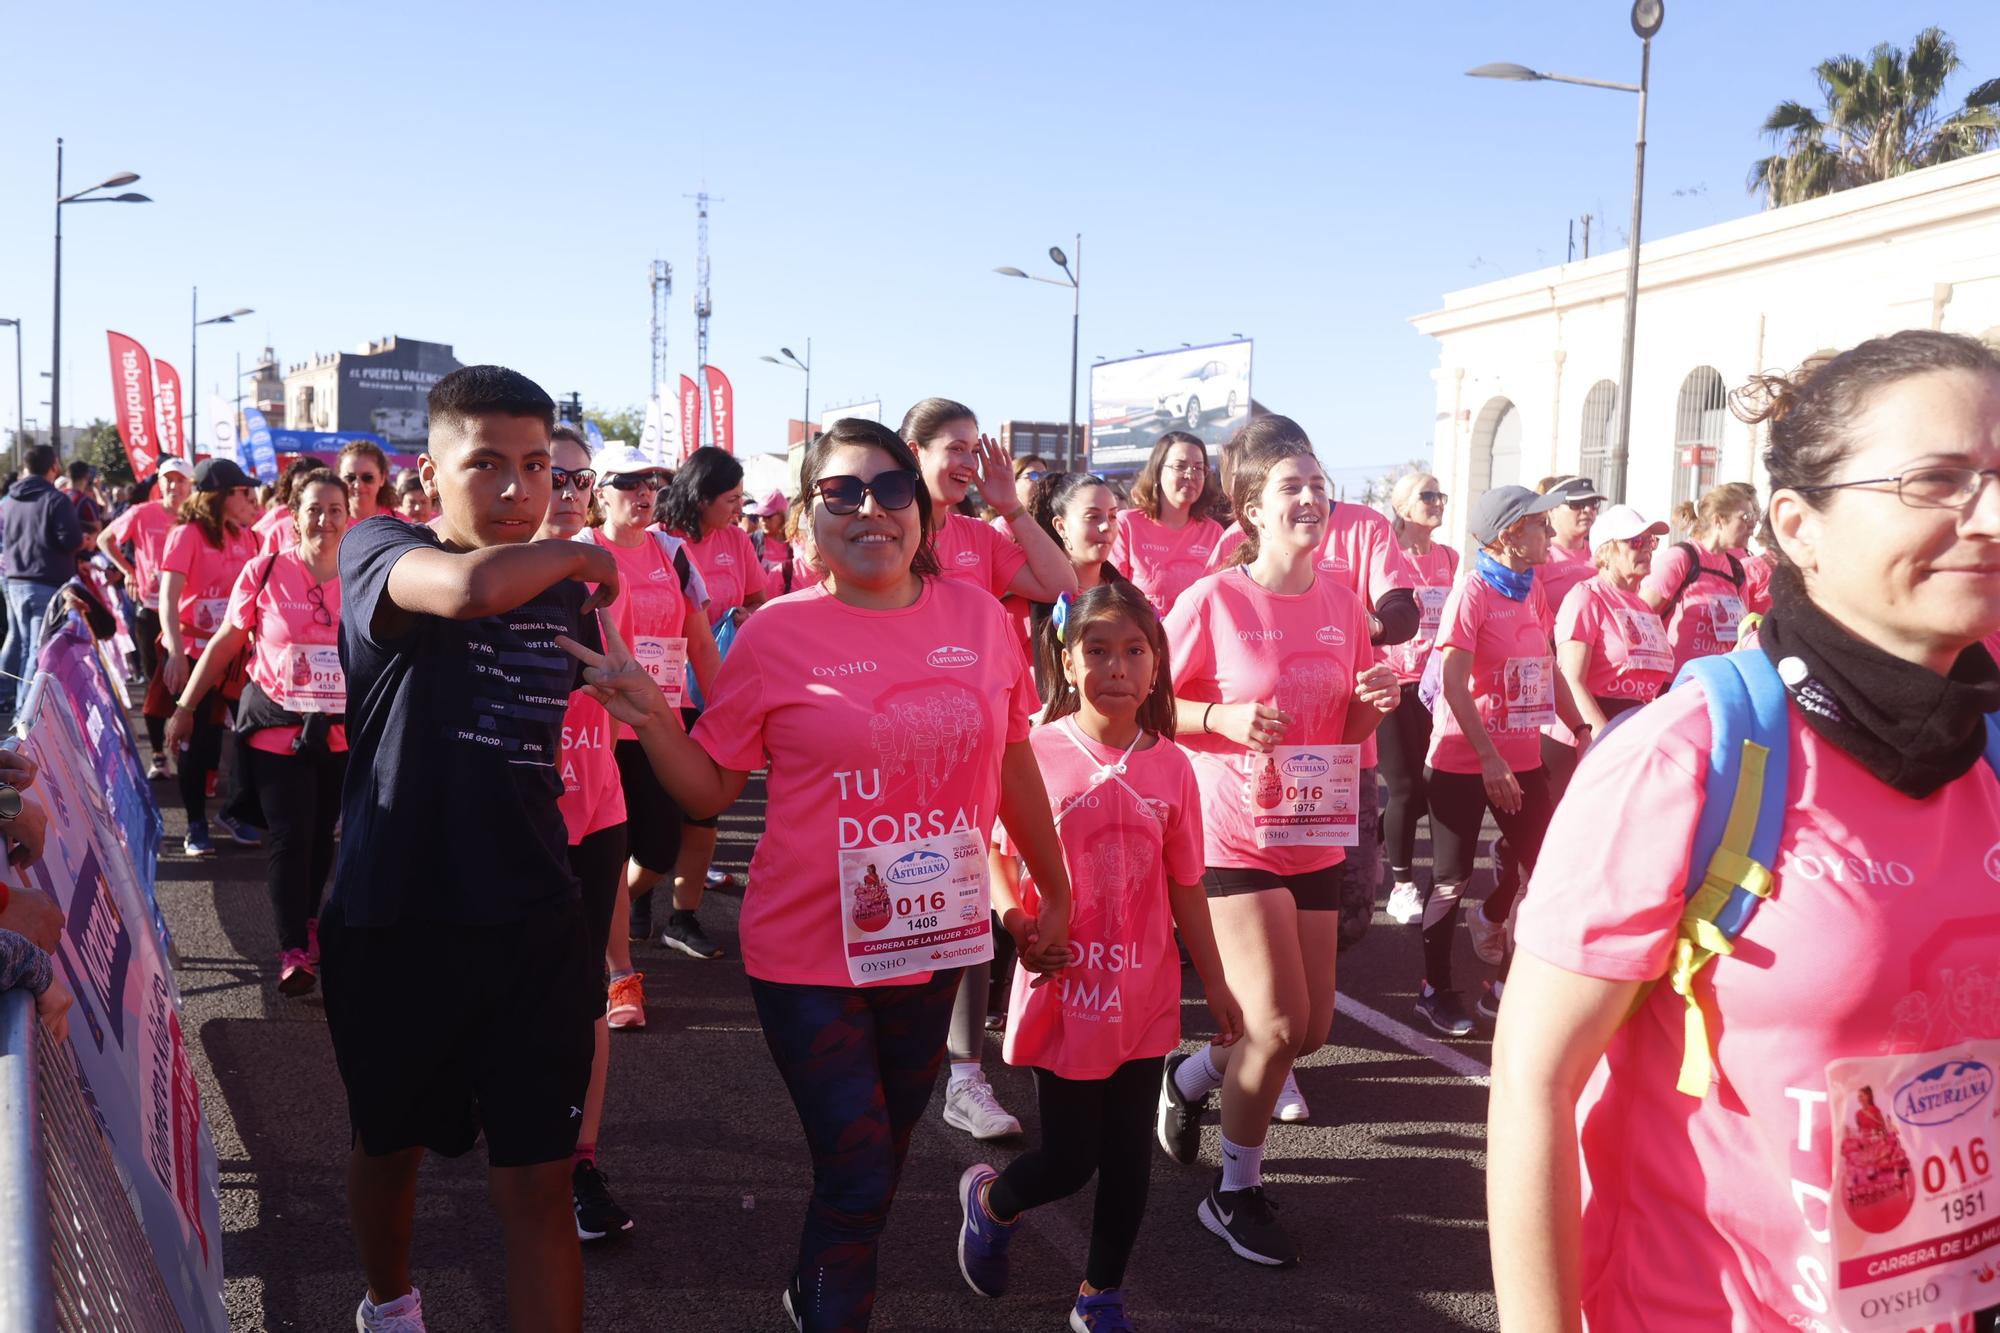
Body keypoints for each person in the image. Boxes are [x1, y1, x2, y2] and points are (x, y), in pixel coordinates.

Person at [1491, 329, 2000, 1330]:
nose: (1988, 516)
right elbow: (1531, 1081)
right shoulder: (1686, 759)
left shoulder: (1983, 749)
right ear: (1797, 525)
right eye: (1936, 481)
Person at [567, 417, 1074, 1332]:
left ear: (919, 512)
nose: (869, 509)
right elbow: (712, 784)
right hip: (806, 952)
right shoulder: (774, 634)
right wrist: (650, 714)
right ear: (806, 518)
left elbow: (1010, 762)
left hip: (934, 940)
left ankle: (815, 1287)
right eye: (842, 493)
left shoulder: (976, 618)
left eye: (890, 490)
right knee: (858, 1161)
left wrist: (1055, 888)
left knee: (885, 1148)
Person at [322, 365, 617, 1333]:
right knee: (389, 1145)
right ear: (429, 471)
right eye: (485, 463)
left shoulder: (564, 596)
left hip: (534, 922)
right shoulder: (379, 546)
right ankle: (390, 1304)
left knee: (536, 1190)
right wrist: (578, 553)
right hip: (393, 915)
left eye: (536, 466)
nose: (515, 489)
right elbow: (460, 587)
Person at [956, 580, 1241, 1331]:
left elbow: (1186, 888)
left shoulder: (1175, 767)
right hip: (1065, 985)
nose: (1117, 666)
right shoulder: (1037, 752)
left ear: (1156, 667)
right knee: (1070, 1157)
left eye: (1135, 651)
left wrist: (1216, 983)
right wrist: (1016, 918)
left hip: (1143, 991)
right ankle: (993, 1201)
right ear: (1068, 659)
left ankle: (1099, 1294)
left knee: (1128, 1158)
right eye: (1099, 649)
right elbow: (993, 850)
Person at [1156, 417, 1400, 1267]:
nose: (1312, 496)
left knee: (1312, 1028)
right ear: (1253, 509)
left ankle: (1188, 1078)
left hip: (1315, 833)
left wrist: (1378, 695)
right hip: (1233, 835)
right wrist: (1219, 715)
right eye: (1292, 486)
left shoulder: (1342, 602)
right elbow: (1145, 703)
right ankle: (1234, 1192)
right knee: (1273, 1024)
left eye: (1319, 483)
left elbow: (1349, 723)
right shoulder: (1213, 600)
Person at [901, 398, 1080, 1140]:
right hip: (897, 738)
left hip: (978, 735)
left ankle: (965, 1075)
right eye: (954, 447)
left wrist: (1011, 508)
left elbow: (1058, 579)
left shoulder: (981, 534)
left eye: (977, 448)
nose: (970, 461)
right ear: (912, 450)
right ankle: (905, 1055)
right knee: (905, 889)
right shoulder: (888, 530)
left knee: (969, 896)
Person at [165, 469, 351, 996]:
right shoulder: (265, 569)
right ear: (294, 515)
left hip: (338, 733)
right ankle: (293, 947)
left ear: (347, 517)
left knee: (320, 838)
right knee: (291, 836)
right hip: (277, 729)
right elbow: (227, 641)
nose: (325, 519)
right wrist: (185, 705)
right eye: (314, 508)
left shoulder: (363, 577)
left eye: (335, 509)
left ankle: (310, 921)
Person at [1415, 483, 1589, 1038]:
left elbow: (1551, 668)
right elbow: (1452, 684)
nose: (1549, 532)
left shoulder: (1529, 588)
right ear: (1511, 535)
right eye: (1539, 524)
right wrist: (1489, 760)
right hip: (1463, 761)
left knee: (1546, 874)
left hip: (1522, 758)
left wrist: (1582, 729)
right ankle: (1433, 989)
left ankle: (1506, 987)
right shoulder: (1472, 593)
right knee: (1450, 881)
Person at [536, 427, 637, 1244]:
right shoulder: (479, 579)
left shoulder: (605, 578)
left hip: (596, 811)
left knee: (583, 1001)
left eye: (579, 478)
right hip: (513, 821)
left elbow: (630, 682)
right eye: (551, 474)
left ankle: (579, 1161)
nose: (567, 490)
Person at [580, 442, 719, 1010]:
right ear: (600, 492)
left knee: (659, 847)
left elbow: (702, 641)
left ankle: (598, 911)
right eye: (629, 483)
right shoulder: (582, 550)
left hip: (662, 720)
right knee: (603, 842)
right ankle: (614, 962)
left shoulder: (672, 553)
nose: (643, 494)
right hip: (598, 723)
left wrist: (729, 708)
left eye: (651, 483)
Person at [643, 446, 756, 959]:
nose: (737, 509)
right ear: (702, 496)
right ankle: (635, 897)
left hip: (716, 690)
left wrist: (740, 618)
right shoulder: (658, 539)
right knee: (648, 809)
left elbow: (755, 599)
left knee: (702, 809)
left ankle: (683, 915)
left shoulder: (736, 539)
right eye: (729, 499)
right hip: (661, 695)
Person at [157, 458, 261, 857]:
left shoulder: (248, 537)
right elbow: (167, 600)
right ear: (220, 496)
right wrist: (175, 652)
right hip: (194, 652)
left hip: (237, 656)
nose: (250, 498)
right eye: (241, 492)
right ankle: (196, 825)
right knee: (196, 742)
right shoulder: (186, 535)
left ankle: (235, 811)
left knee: (254, 736)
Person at [1381, 473, 1456, 926]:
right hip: (1392, 681)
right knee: (1405, 787)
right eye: (1427, 496)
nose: (1437, 503)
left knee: (1430, 784)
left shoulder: (1448, 557)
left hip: (1436, 688)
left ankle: (1383, 836)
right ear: (1404, 507)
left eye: (1439, 496)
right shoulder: (1387, 555)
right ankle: (1402, 885)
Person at [99, 456, 195, 778]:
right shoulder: (143, 512)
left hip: (187, 613)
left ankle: (185, 751)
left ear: (190, 485)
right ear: (160, 483)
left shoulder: (196, 517)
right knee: (157, 685)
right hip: (151, 609)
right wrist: (128, 571)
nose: (173, 485)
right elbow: (104, 539)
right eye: (168, 479)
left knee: (187, 687)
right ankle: (157, 755)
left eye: (180, 480)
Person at [1554, 504, 1675, 732]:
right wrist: (1603, 739)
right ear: (1605, 551)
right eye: (1636, 542)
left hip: (1633, 728)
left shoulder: (1643, 606)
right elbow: (1570, 681)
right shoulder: (1586, 596)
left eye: (1650, 542)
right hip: (1591, 730)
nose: (1647, 550)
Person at [1008, 471, 1130, 691]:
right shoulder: (1025, 602)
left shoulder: (1129, 597)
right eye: (1093, 517)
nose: (1106, 526)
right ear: (1061, 527)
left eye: (1112, 516)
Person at [1642, 481, 1761, 670]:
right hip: (1672, 684)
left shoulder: (1736, 569)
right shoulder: (1680, 558)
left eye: (1755, 516)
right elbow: (1642, 618)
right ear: (1718, 520)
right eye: (1746, 517)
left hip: (1715, 683)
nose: (1753, 524)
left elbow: (1743, 633)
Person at [0, 445, 83, 716]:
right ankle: (24, 717)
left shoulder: (9, 500)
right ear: (54, 466)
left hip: (13, 580)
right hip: (44, 582)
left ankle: (12, 701)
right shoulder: (56, 500)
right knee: (36, 651)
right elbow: (70, 540)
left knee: (22, 644)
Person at [1110, 430, 1224, 616]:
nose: (1190, 474)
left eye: (1198, 468)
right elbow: (1112, 596)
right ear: (1157, 471)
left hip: (1196, 641)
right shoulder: (1127, 524)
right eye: (1180, 466)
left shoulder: (1214, 533)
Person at [254, 457, 324, 553]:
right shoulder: (278, 525)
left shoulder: (338, 524)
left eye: (309, 486)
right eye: (296, 487)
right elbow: (255, 533)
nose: (302, 492)